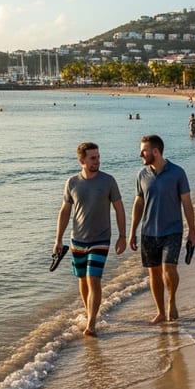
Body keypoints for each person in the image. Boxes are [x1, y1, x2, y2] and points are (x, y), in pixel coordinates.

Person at [54, 142, 127, 337]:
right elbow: (65, 211)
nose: (97, 161)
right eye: (93, 158)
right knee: (82, 280)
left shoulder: (108, 181)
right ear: (82, 160)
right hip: (77, 239)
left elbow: (119, 208)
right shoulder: (72, 182)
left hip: (101, 239)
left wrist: (122, 236)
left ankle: (92, 323)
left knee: (94, 279)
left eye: (98, 157)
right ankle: (89, 312)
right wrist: (58, 239)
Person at [130, 135, 195, 324]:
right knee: (154, 273)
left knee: (169, 269)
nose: (140, 153)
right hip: (148, 232)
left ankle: (172, 301)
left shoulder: (177, 173)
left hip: (172, 230)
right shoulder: (142, 175)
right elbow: (139, 203)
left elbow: (187, 203)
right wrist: (132, 230)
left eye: (144, 150)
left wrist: (192, 231)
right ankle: (160, 311)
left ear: (156, 151)